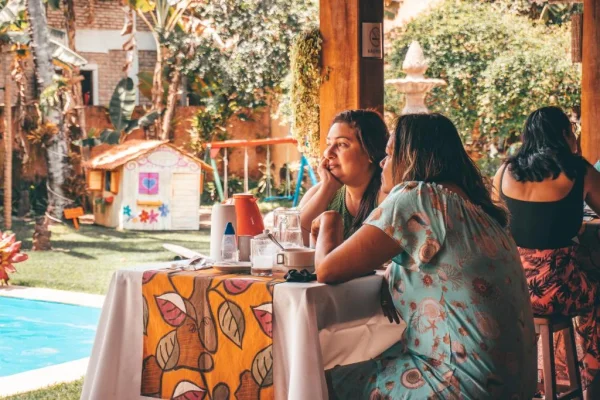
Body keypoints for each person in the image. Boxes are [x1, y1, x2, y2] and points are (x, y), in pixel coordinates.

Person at [313, 113, 536, 399]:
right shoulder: (476, 210)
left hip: (460, 383)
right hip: (512, 383)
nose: (382, 163)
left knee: (318, 384)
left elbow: (327, 270)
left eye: (390, 154)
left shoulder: (418, 196)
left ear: (410, 158)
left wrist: (330, 220)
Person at [492, 106, 600, 396]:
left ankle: (542, 376)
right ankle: (592, 383)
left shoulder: (503, 172)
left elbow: (493, 226)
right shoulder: (578, 170)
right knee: (595, 293)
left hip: (513, 290)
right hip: (559, 291)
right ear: (565, 134)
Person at [299, 109, 389, 245]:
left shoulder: (388, 199)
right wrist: (327, 189)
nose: (328, 153)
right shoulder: (318, 194)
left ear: (370, 152)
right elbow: (293, 243)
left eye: (342, 144)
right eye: (329, 144)